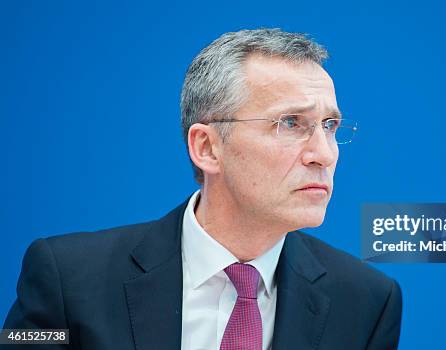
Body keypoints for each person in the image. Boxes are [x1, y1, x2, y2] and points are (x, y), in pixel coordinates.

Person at [3, 28, 402, 350]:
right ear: (207, 147)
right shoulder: (67, 278)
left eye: (330, 126)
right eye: (291, 123)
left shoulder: (366, 301)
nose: (324, 154)